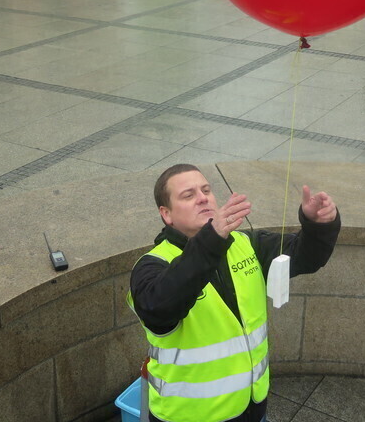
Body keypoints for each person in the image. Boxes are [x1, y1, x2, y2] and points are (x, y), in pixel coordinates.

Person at [128, 164, 341, 422]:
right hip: (189, 416)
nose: (203, 197)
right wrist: (211, 239)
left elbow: (305, 257)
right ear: (167, 214)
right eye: (188, 195)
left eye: (206, 190)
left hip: (252, 407)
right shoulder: (151, 265)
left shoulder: (245, 244)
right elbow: (160, 307)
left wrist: (318, 226)